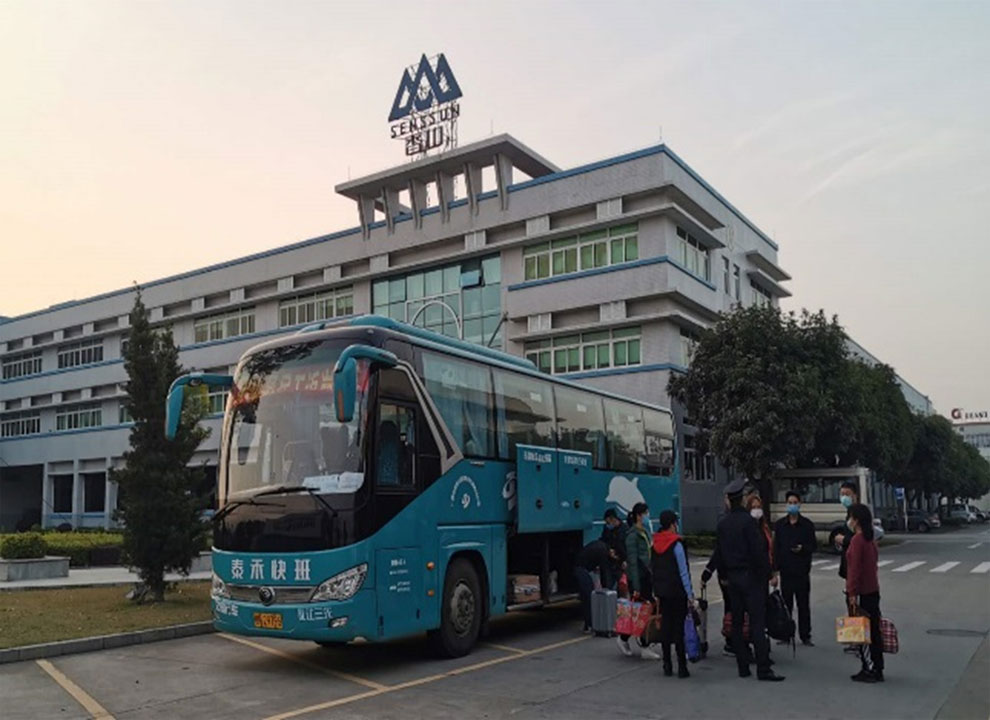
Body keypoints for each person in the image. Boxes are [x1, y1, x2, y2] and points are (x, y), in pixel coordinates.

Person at [713, 479, 785, 681]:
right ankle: (763, 668)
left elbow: (720, 552)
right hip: (752, 578)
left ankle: (742, 666)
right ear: (743, 500)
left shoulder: (723, 524)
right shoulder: (748, 522)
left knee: (737, 622)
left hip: (733, 578)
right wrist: (769, 574)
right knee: (757, 622)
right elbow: (758, 552)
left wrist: (721, 575)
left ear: (730, 500)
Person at [651, 510, 696, 678]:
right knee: (678, 629)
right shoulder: (676, 544)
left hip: (662, 592)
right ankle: (682, 667)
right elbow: (683, 571)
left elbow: (653, 569)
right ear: (672, 524)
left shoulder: (655, 544)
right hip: (677, 592)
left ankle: (667, 665)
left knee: (666, 628)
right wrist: (690, 594)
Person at [845, 503, 884, 683]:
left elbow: (854, 570)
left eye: (851, 517)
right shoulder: (870, 540)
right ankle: (877, 667)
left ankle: (868, 667)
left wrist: (851, 593)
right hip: (873, 589)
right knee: (874, 630)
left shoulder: (857, 540)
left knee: (862, 632)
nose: (849, 521)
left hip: (861, 592)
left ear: (856, 520)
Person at [773, 491, 817, 646]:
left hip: (802, 571)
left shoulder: (807, 525)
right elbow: (776, 548)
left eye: (795, 502)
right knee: (786, 605)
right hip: (786, 571)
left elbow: (813, 546)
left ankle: (805, 635)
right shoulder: (780, 525)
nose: (792, 505)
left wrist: (802, 548)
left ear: (799, 504)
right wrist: (775, 570)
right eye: (790, 503)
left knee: (803, 605)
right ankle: (786, 634)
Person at [616, 502, 660, 660]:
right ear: (639, 516)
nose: (648, 516)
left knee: (640, 611)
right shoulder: (632, 536)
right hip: (639, 578)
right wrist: (635, 585)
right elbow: (633, 562)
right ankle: (644, 646)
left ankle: (625, 638)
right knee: (644, 611)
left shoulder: (645, 532)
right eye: (646, 513)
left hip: (647, 576)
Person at [573, 539, 611, 634]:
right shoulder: (603, 551)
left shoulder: (599, 544)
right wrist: (606, 588)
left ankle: (588, 624)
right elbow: (604, 570)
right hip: (582, 570)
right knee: (588, 598)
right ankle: (589, 625)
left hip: (579, 567)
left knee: (586, 597)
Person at [600, 508, 627, 588]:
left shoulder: (625, 531)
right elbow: (604, 541)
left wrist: (626, 560)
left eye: (608, 522)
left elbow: (628, 548)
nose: (607, 525)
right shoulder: (607, 530)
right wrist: (609, 550)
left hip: (621, 562)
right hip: (611, 562)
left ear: (613, 519)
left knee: (622, 586)